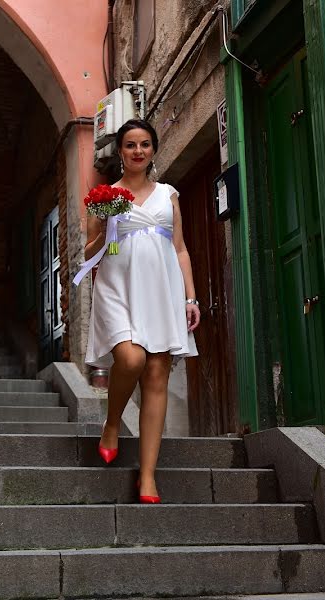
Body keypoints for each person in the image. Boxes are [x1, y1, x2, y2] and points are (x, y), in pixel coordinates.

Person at [83, 119, 200, 503]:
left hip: (162, 290)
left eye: (145, 144)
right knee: (130, 359)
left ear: (153, 150)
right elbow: (89, 254)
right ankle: (113, 424)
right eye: (130, 144)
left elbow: (179, 248)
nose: (138, 151)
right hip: (118, 286)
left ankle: (147, 476)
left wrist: (191, 298)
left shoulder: (169, 194)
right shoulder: (105, 193)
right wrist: (107, 222)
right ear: (119, 151)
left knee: (156, 375)